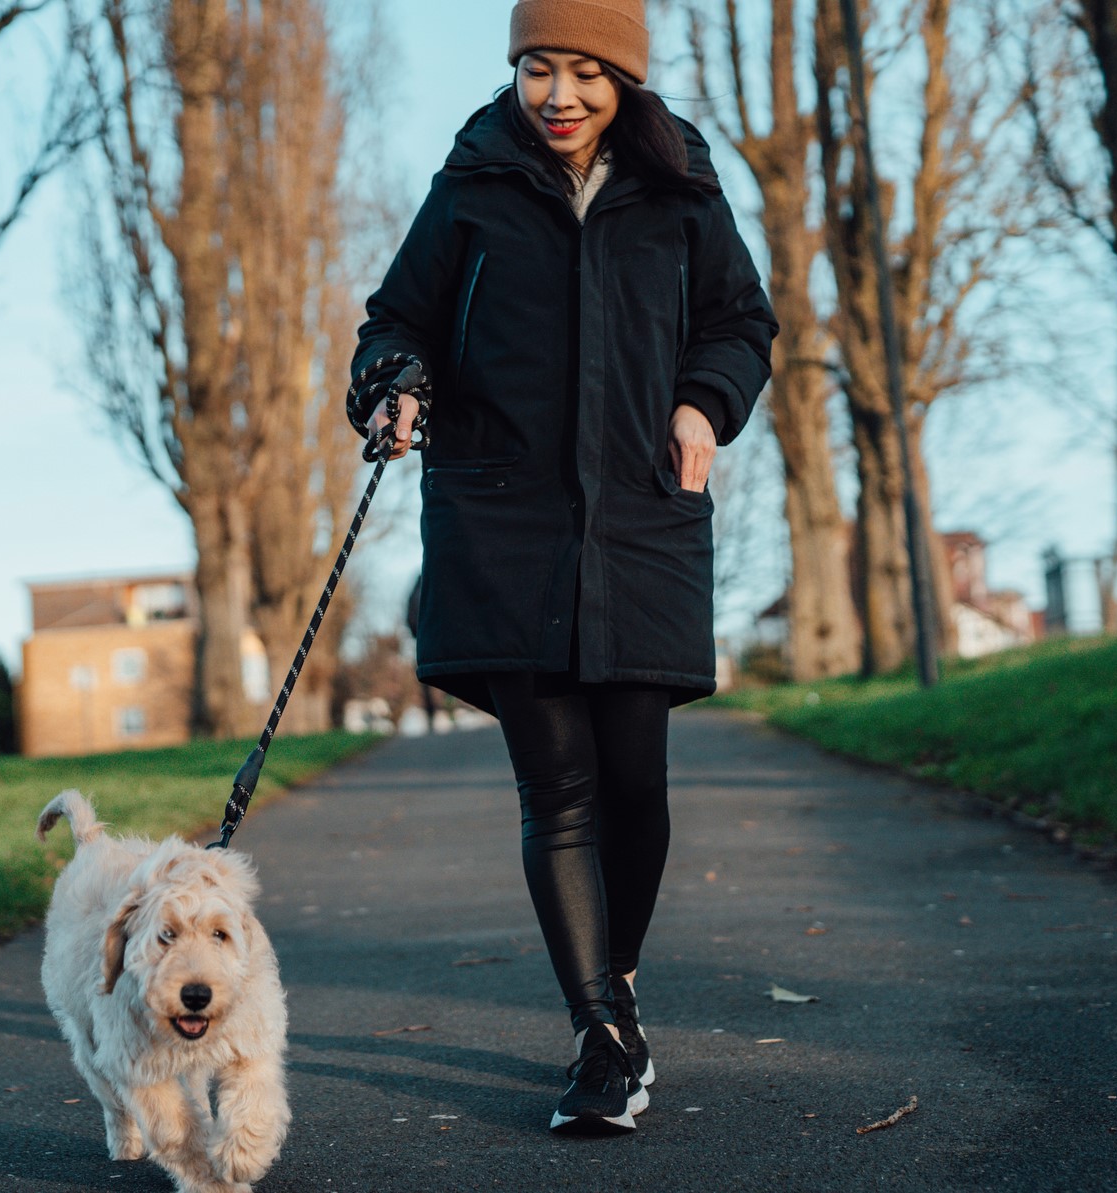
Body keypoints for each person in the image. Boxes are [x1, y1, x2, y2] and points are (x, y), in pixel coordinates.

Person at [347, 0, 777, 1136]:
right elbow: (397, 319)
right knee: (560, 789)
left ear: (623, 79)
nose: (559, 96)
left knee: (637, 779)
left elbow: (741, 322)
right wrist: (394, 384)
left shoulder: (681, 184)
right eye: (539, 68)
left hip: (645, 513)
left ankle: (616, 979)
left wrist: (702, 403)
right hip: (505, 522)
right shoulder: (475, 181)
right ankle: (600, 1032)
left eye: (585, 71)